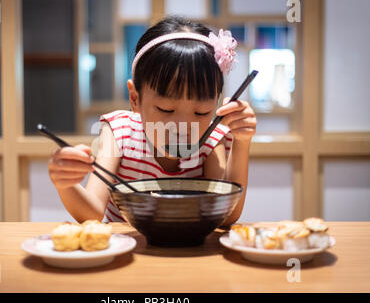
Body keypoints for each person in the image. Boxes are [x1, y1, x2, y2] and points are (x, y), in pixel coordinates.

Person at [48, 16, 256, 225]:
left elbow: (227, 216)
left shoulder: (212, 141)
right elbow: (91, 213)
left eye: (201, 112)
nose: (183, 127)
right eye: (166, 109)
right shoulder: (120, 132)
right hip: (128, 252)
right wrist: (65, 184)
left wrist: (242, 142)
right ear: (135, 98)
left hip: (189, 253)